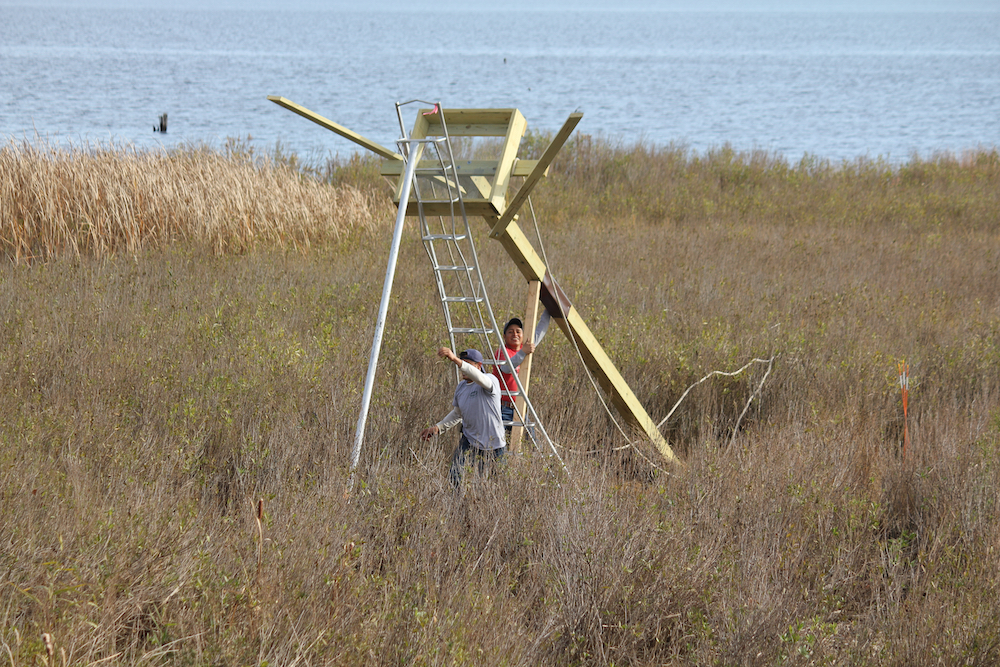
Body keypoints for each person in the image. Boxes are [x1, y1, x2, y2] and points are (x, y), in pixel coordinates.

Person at [420, 347, 506, 486]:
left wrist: (455, 359)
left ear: (479, 366)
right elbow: (458, 413)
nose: (463, 369)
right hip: (469, 441)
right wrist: (438, 428)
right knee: (455, 476)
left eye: (468, 364)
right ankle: (455, 504)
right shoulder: (461, 387)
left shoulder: (490, 380)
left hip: (494, 444)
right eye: (462, 363)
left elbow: (478, 377)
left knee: (495, 485)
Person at [492, 309, 551, 434]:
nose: (515, 334)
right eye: (510, 332)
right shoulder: (502, 351)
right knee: (498, 446)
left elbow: (539, 332)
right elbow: (506, 368)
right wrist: (523, 351)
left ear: (523, 335)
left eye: (518, 331)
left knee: (530, 441)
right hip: (502, 408)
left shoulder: (525, 349)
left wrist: (549, 309)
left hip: (519, 407)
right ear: (504, 336)